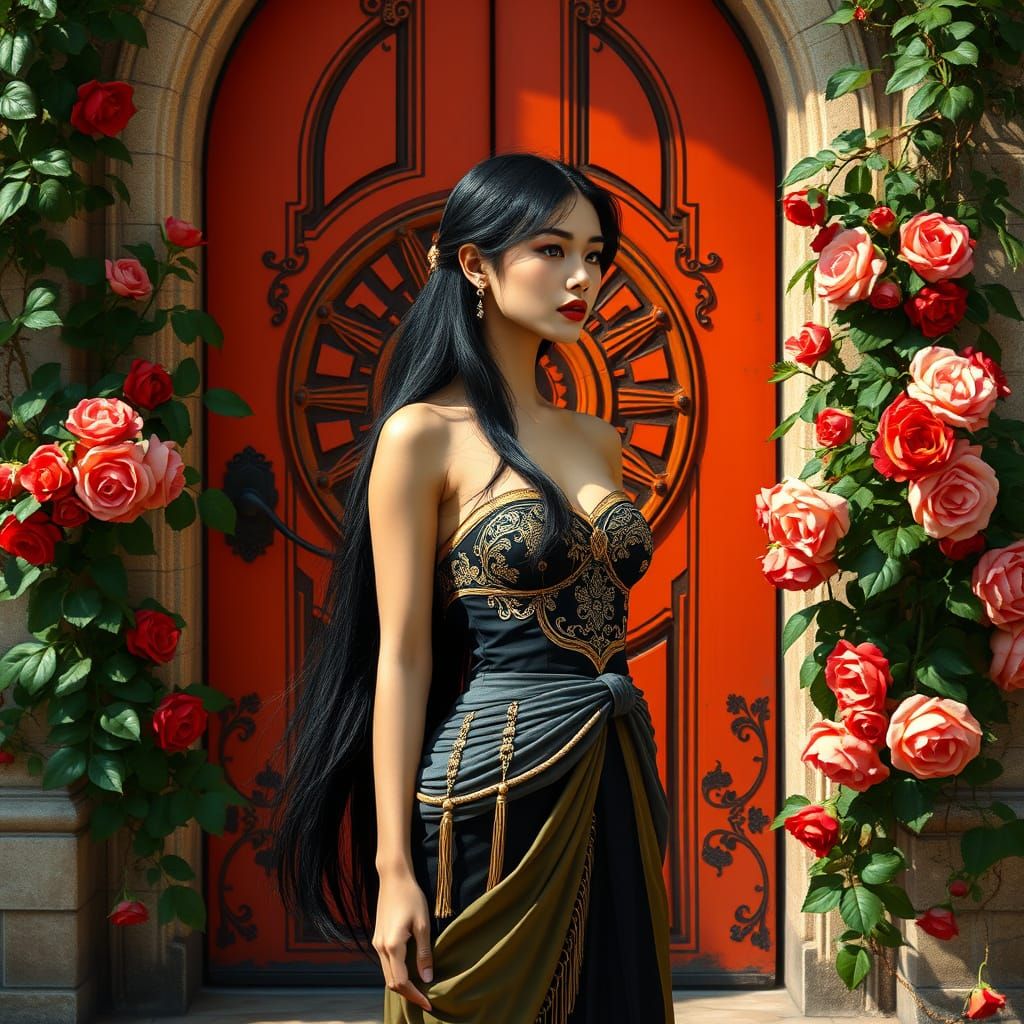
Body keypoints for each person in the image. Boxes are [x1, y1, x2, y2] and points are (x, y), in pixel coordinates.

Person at [270, 153, 672, 1023]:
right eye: (551, 250)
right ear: (475, 265)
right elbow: (401, 658)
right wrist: (391, 871)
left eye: (595, 255)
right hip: (492, 787)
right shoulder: (421, 436)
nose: (582, 277)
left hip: (613, 770)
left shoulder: (597, 439)